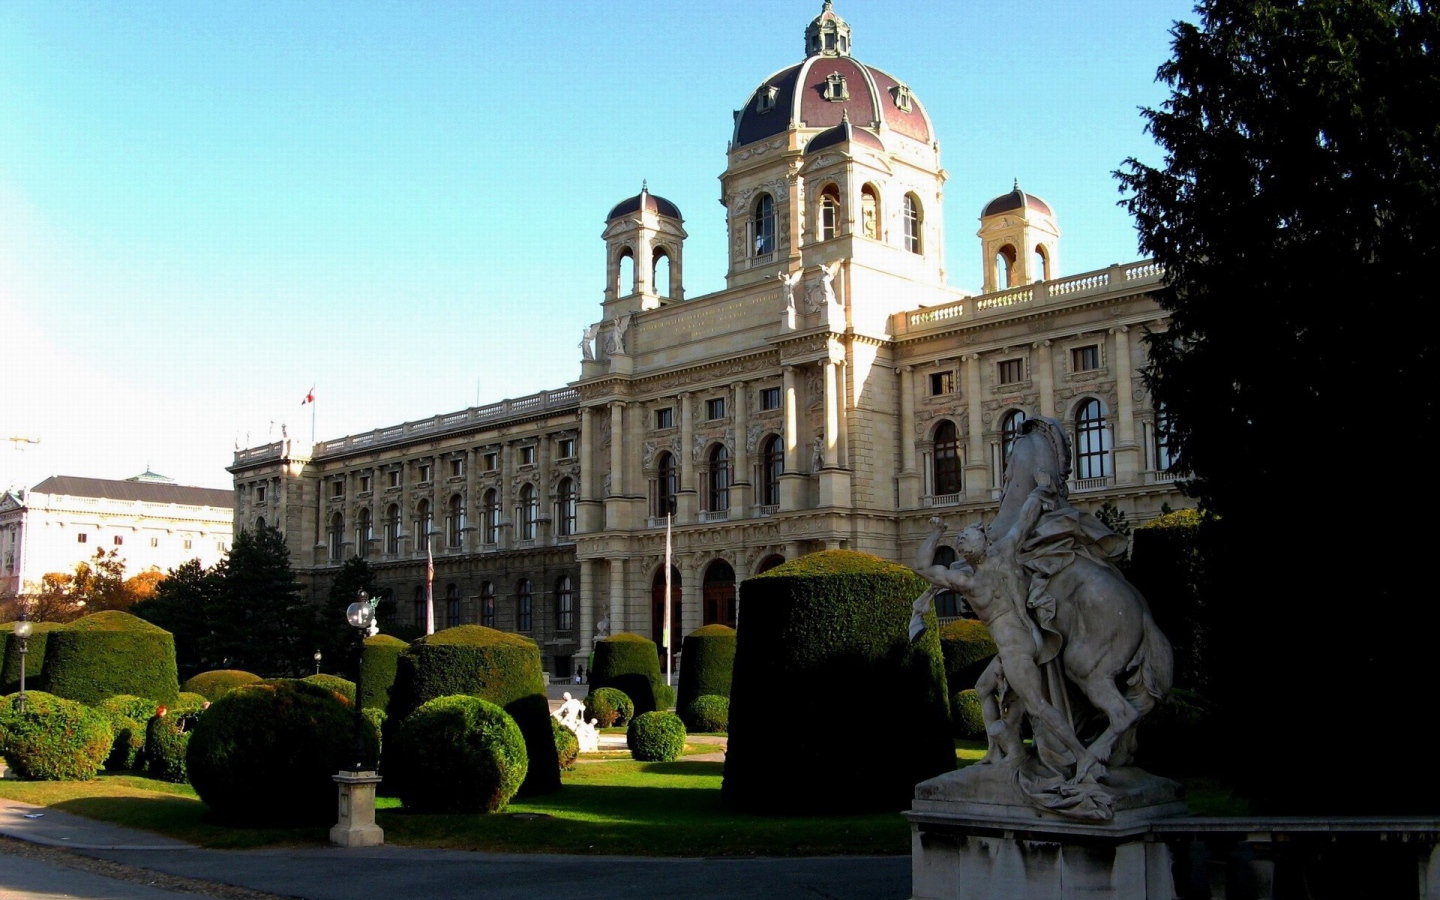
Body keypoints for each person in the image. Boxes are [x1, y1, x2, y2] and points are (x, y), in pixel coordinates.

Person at [913, 472, 1100, 778]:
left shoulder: (980, 574)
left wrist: (936, 532)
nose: (961, 541)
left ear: (983, 541)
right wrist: (1040, 487)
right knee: (984, 687)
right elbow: (1025, 517)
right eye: (958, 540)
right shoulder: (989, 566)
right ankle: (998, 751)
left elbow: (923, 567)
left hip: (1015, 647)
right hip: (1024, 639)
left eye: (966, 537)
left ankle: (1082, 756)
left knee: (1037, 706)